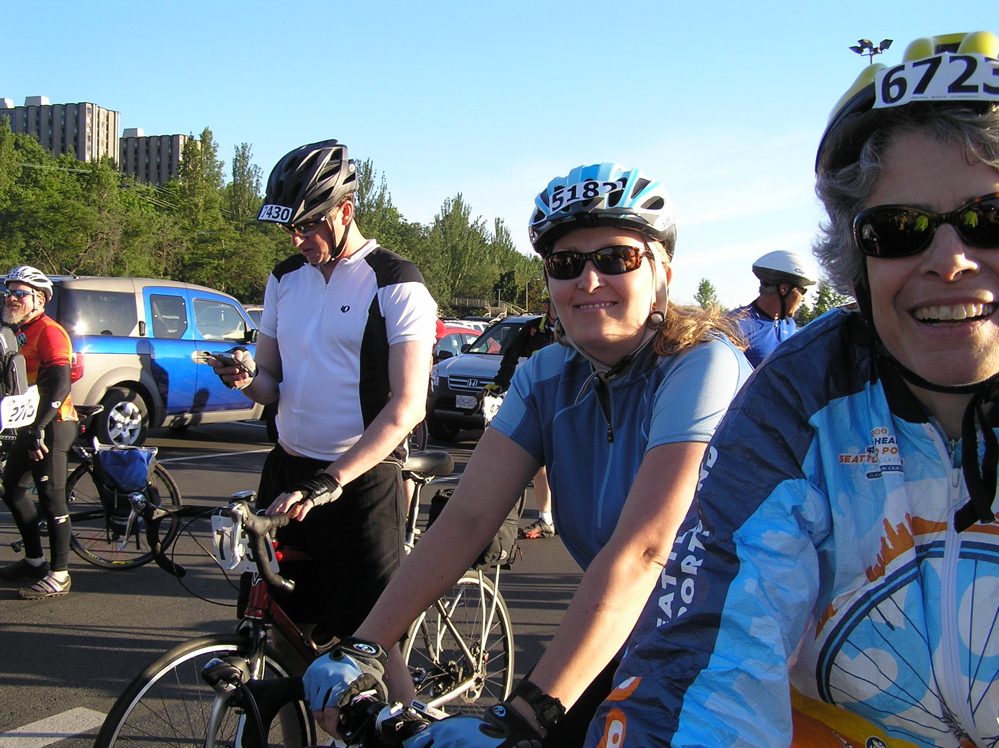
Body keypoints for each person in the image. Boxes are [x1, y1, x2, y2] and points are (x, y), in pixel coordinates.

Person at [589, 31, 999, 748]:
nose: (950, 260)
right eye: (897, 230)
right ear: (854, 260)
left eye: (989, 219)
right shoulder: (795, 384)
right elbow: (701, 663)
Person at [298, 162, 752, 746]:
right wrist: (367, 645)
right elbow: (468, 517)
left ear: (662, 274)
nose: (589, 280)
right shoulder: (546, 374)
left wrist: (525, 717)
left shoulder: (702, 365)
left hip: (731, 651)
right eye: (566, 264)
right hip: (624, 634)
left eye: (617, 258)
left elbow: (646, 551)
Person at [209, 139, 437, 696]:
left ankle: (404, 724)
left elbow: (407, 406)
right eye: (288, 227)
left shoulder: (396, 281)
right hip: (288, 471)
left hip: (358, 479)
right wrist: (243, 376)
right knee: (279, 622)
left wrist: (331, 480)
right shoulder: (285, 277)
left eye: (307, 225)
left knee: (371, 640)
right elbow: (270, 382)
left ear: (345, 211)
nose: (296, 239)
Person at [0, 266, 79, 599]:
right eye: (9, 292)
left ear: (40, 300)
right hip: (27, 423)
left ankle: (60, 575)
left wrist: (39, 428)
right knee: (13, 491)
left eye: (21, 293)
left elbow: (61, 384)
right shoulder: (15, 331)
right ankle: (34, 561)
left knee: (51, 499)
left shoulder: (49, 331)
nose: (12, 298)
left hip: (53, 423)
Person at [487, 291, 557, 539]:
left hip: (570, 403)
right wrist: (500, 383)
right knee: (540, 465)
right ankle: (546, 518)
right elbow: (511, 354)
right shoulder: (533, 330)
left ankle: (569, 517)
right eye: (551, 303)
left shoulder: (574, 327)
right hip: (540, 402)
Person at [729, 250, 818, 367]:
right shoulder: (736, 324)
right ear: (784, 289)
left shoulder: (789, 324)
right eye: (802, 291)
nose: (803, 299)